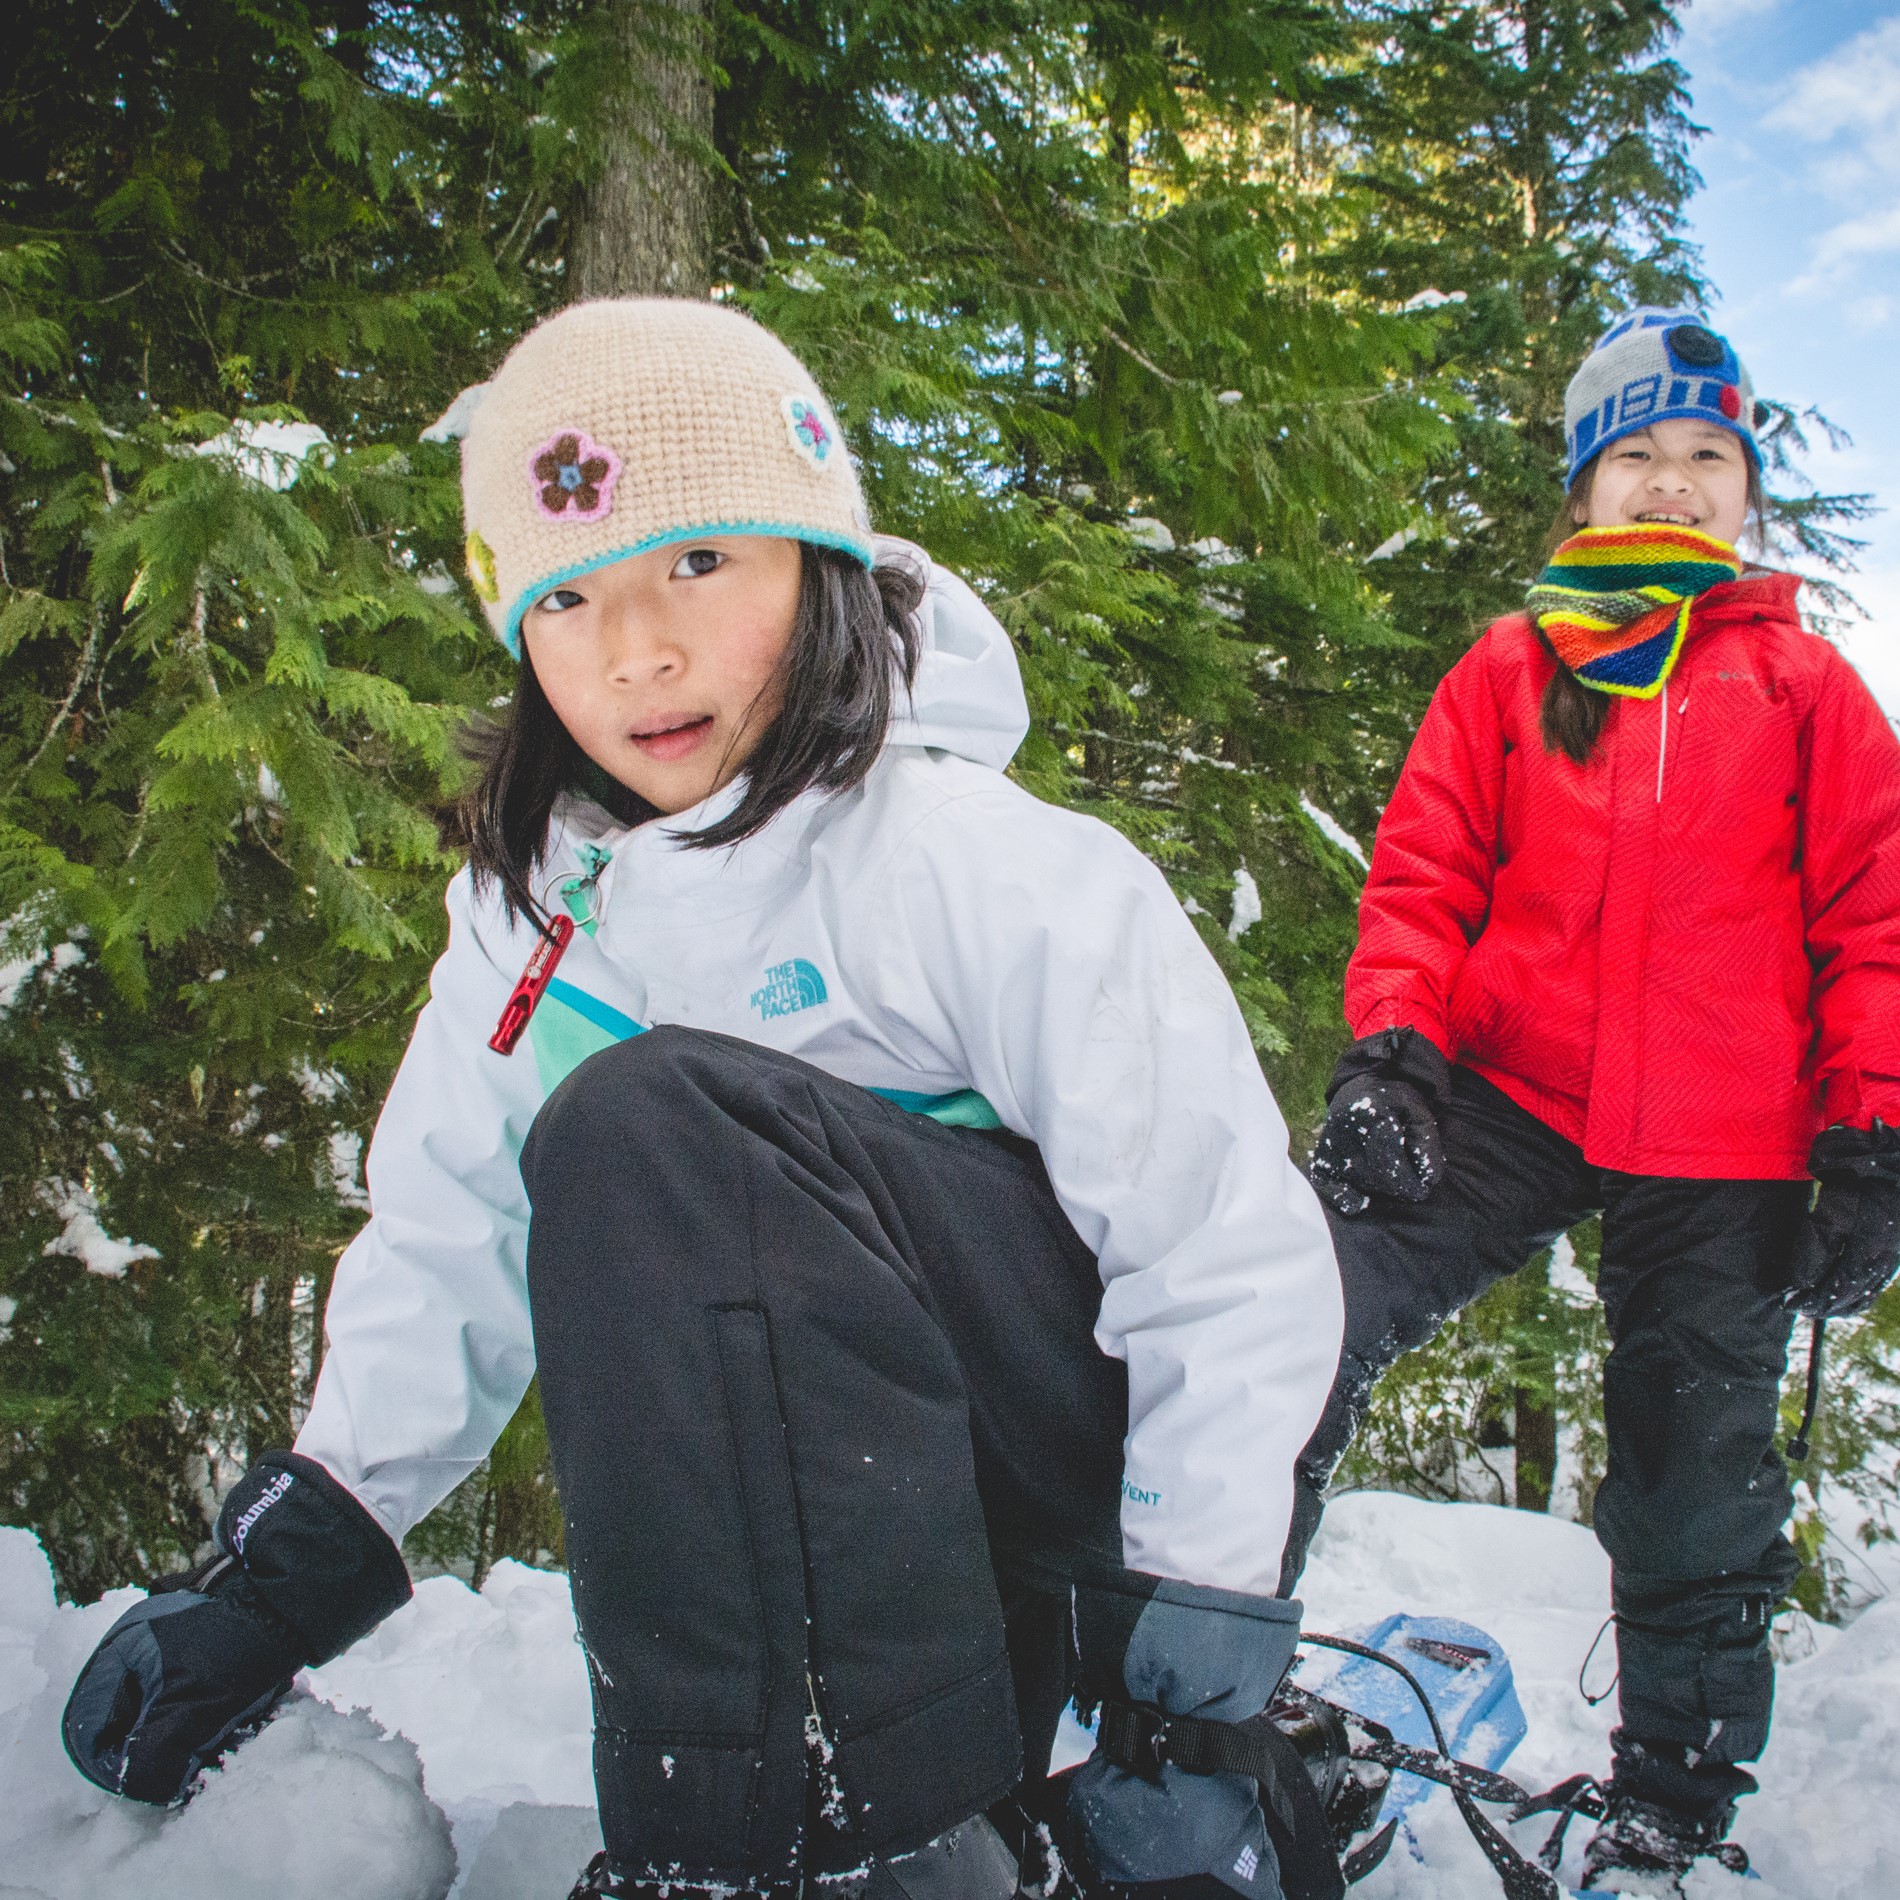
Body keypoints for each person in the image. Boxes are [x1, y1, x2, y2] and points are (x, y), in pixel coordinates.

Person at [61, 298, 1343, 1900]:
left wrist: (1192, 1682)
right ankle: (756, 1839)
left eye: (699, 565)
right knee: (623, 1143)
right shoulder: (531, 922)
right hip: (851, 1541)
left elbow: (1214, 1245)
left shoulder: (968, 861)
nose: (637, 651)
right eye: (570, 597)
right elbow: (448, 1237)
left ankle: (826, 1841)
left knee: (653, 1129)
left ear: (818, 566)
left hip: (1063, 1473)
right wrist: (279, 1579)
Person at [1291, 308, 1900, 1890]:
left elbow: (1874, 917)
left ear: (1745, 492)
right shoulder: (1512, 666)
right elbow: (1425, 873)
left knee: (1697, 1470)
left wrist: (1874, 1129)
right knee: (1280, 1314)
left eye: (1710, 456)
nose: (1675, 481)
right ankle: (1205, 1695)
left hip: (1732, 1134)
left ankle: (1672, 1805)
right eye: (1638, 452)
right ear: (1583, 487)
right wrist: (1393, 1051)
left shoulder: (1807, 687)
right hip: (1507, 1088)